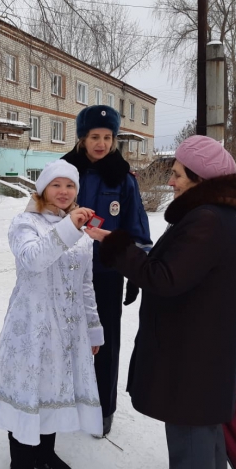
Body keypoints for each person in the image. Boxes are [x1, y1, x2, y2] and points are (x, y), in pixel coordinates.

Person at [87, 135, 236, 469]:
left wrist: (120, 248)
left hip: (192, 366)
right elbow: (177, 270)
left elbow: (164, 278)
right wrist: (121, 248)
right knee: (205, 449)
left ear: (200, 178)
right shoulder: (213, 216)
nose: (170, 181)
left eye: (178, 174)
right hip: (199, 364)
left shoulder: (207, 220)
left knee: (191, 453)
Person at [0, 160, 104, 469]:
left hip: (67, 327)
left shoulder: (82, 232)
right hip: (31, 324)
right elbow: (33, 259)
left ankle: (45, 454)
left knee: (54, 387)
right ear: (42, 188)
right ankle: (21, 459)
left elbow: (86, 285)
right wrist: (69, 227)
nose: (63, 191)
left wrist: (93, 328)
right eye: (56, 185)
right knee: (28, 387)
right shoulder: (25, 223)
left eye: (70, 185)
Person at [61, 105, 152, 436]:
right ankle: (67, 400)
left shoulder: (123, 179)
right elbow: (42, 215)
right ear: (82, 138)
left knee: (105, 340)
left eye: (107, 137)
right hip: (65, 273)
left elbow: (137, 225)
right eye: (94, 137)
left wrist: (137, 271)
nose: (101, 143)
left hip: (107, 273)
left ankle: (103, 407)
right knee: (65, 336)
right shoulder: (64, 172)